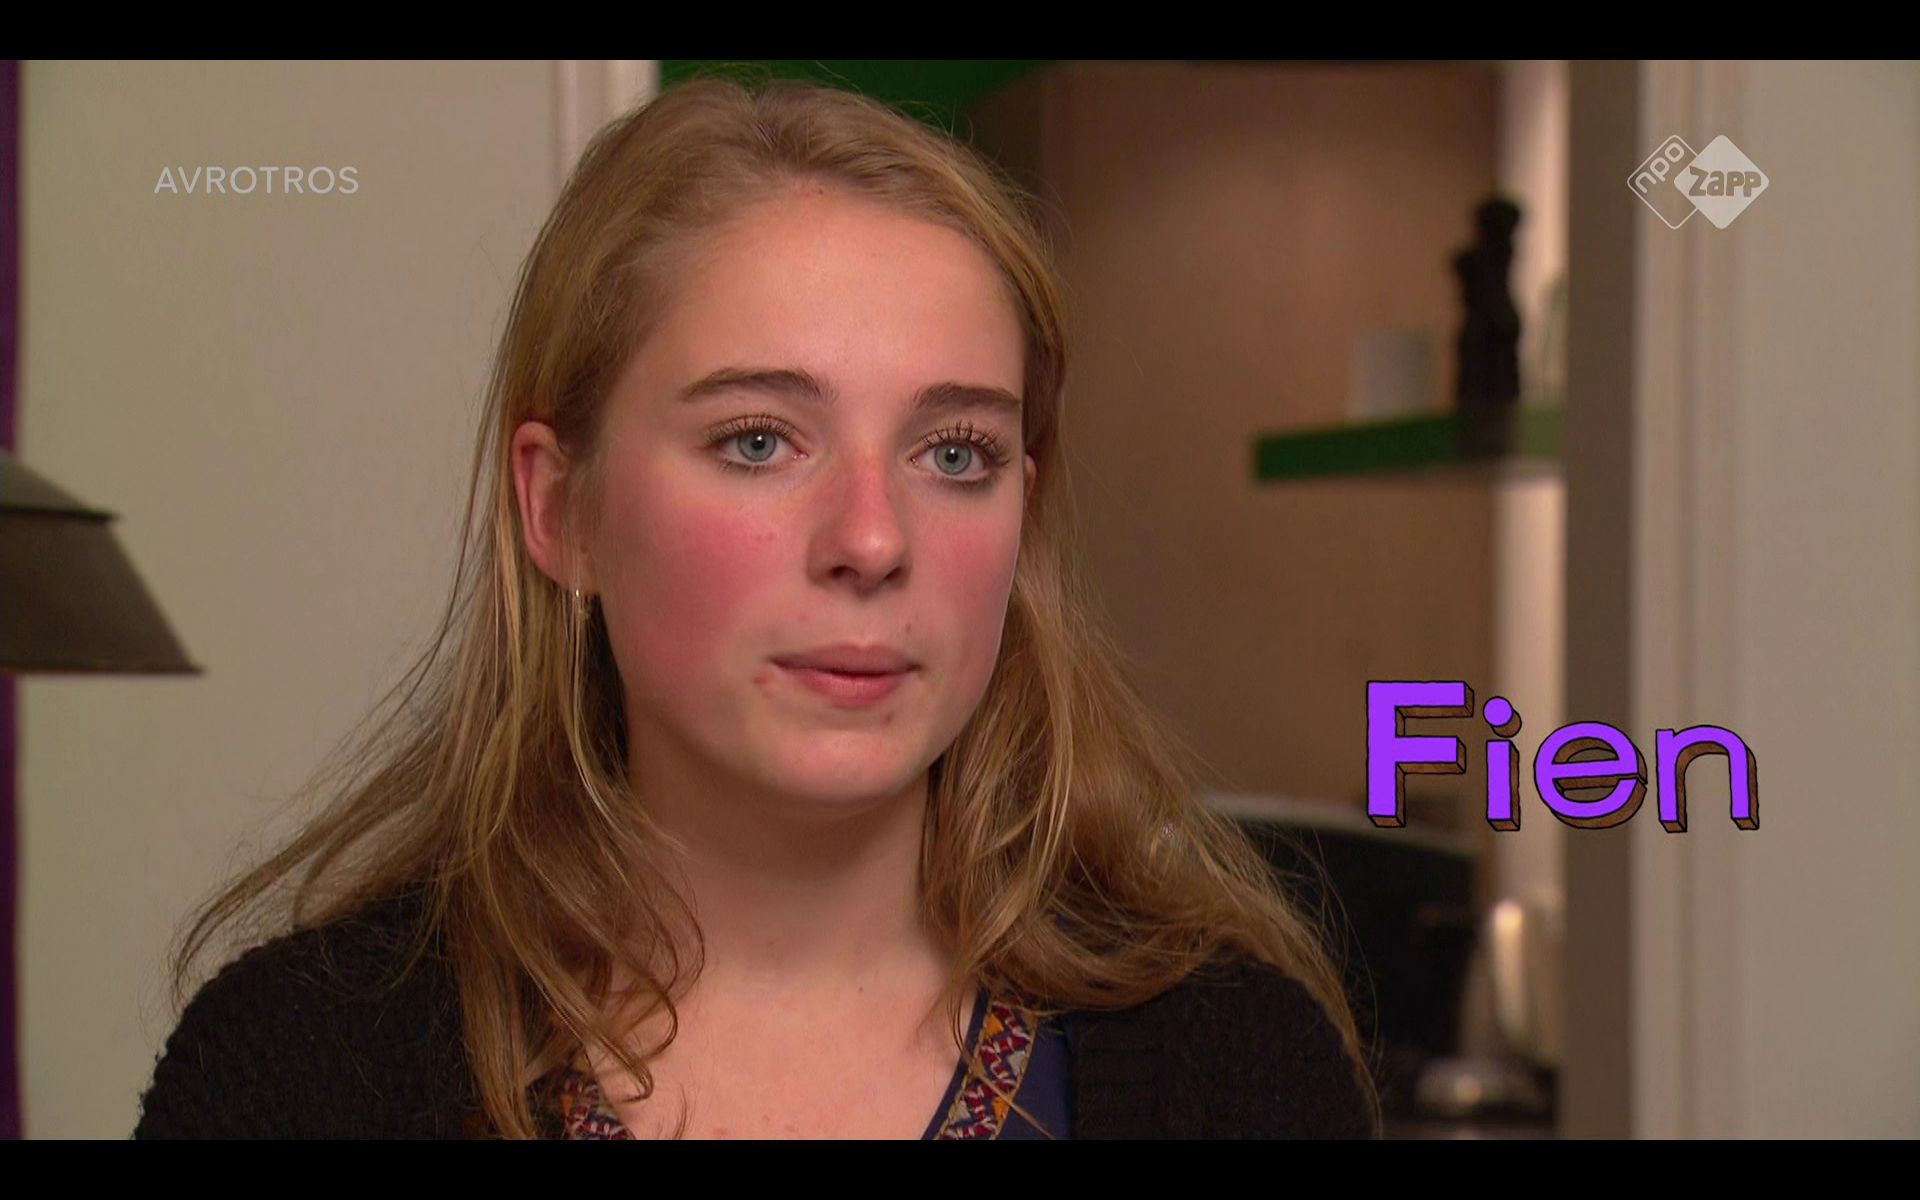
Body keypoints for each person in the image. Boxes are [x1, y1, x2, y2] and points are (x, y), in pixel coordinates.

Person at [132, 73, 1380, 1140]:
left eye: (954, 453)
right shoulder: (301, 1075)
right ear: (561, 509)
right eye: (758, 440)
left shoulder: (1240, 1074)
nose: (872, 540)